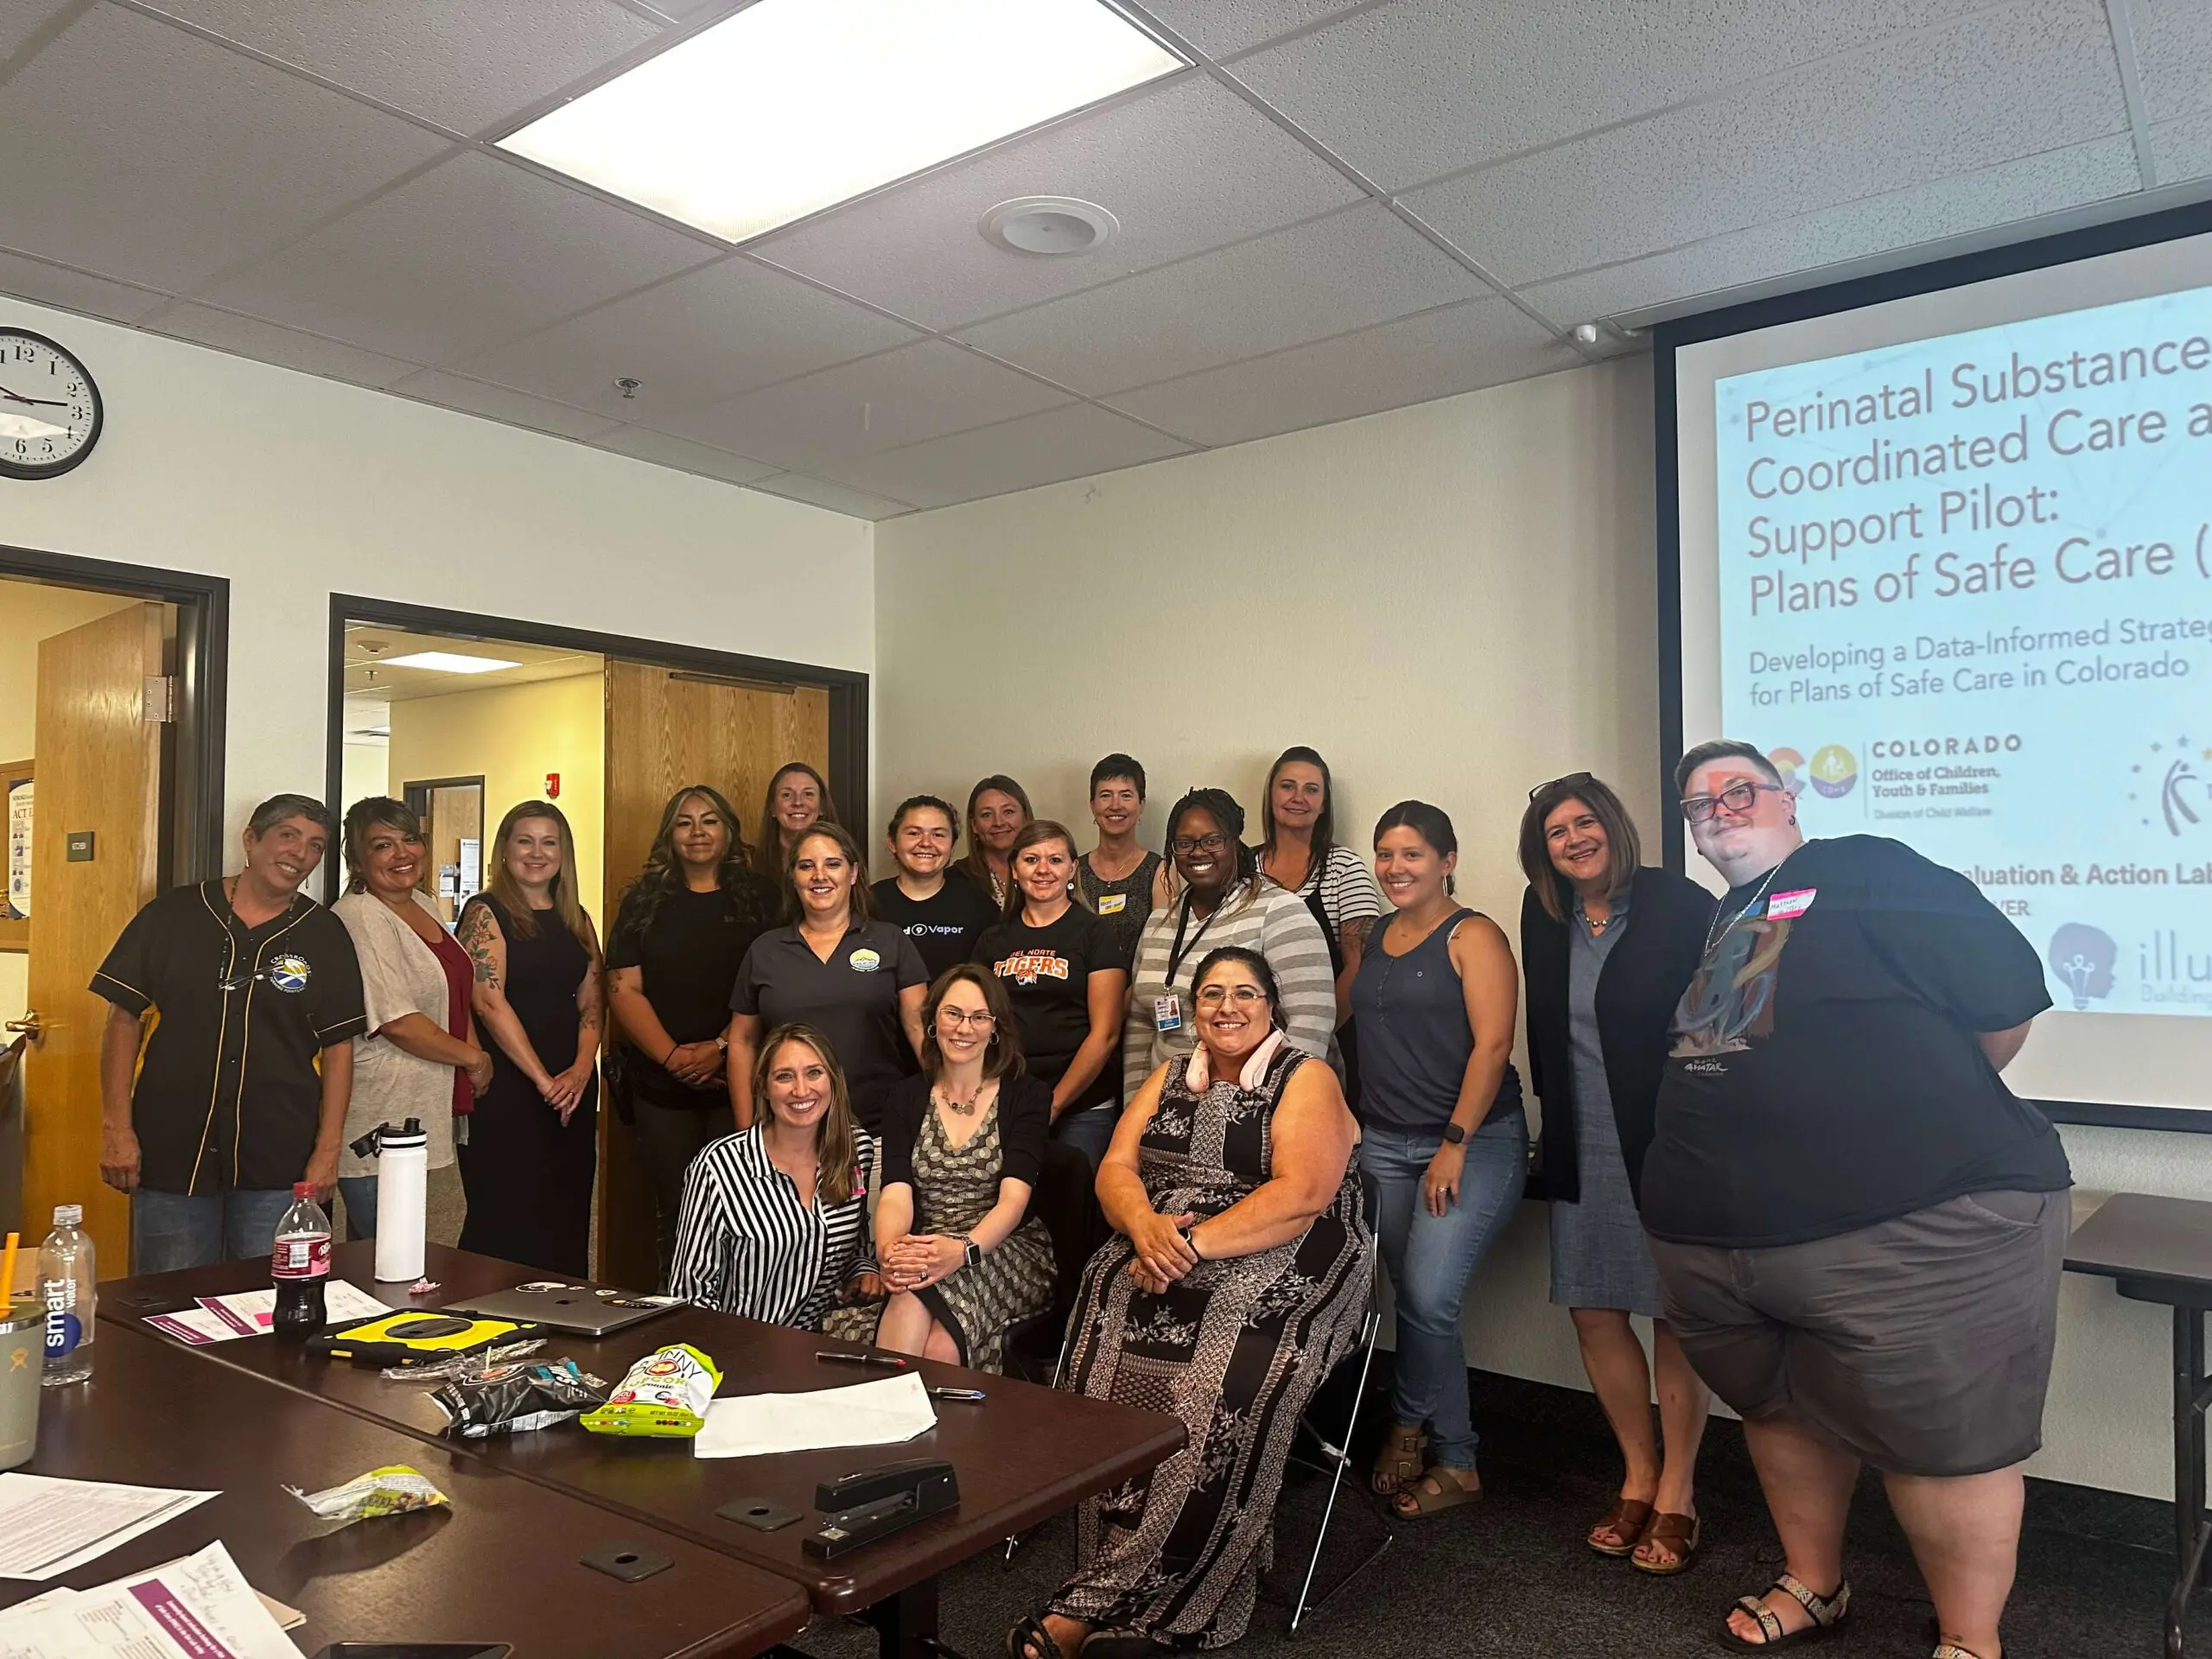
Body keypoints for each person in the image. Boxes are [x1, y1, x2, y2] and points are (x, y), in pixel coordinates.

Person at [1644, 740, 2069, 1659]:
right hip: (1723, 1241)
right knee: (1780, 1409)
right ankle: (1814, 1583)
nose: (1716, 809)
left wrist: (1911, 1109)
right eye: (1696, 803)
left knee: (1941, 1444)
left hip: (1909, 1224)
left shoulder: (1864, 868)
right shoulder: (1729, 917)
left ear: (1787, 799)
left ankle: (1968, 1639)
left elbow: (2002, 1005)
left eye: (1737, 790)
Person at [1013, 946, 1370, 1659]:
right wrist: (1144, 1228)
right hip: (1162, 1248)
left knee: (1215, 1376)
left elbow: (1301, 1196)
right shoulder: (1171, 1074)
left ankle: (1129, 1601)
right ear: (1194, 1007)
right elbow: (1115, 1166)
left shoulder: (1307, 1076)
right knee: (1103, 1323)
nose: (1227, 1008)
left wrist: (1187, 1249)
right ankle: (1116, 1579)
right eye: (1212, 994)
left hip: (1286, 1256)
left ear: (1273, 1005)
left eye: (1245, 993)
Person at [1517, 774, 1714, 1572]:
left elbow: (1720, 1027)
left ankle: (1678, 1490)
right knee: (1596, 1308)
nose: (1573, 840)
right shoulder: (1544, 911)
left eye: (1584, 823)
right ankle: (1635, 1472)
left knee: (1672, 1311)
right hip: (1579, 1127)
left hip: (1666, 1137)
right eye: (1556, 832)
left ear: (1614, 826)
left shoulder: (1679, 904)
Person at [93, 794, 366, 1273]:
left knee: (267, 1301)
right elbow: (123, 1020)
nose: (300, 854)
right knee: (170, 1306)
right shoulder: (173, 915)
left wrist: (328, 1153)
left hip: (278, 1156)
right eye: (288, 835)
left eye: (316, 846)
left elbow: (338, 1048)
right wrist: (117, 1128)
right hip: (173, 1150)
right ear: (250, 840)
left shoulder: (324, 935)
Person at [1351, 801, 1527, 1518]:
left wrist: (1452, 1145)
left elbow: (1493, 1047)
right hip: (1385, 1144)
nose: (1396, 867)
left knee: (1427, 1297)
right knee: (1421, 1302)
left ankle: (1420, 1430)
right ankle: (1452, 1453)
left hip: (1470, 1142)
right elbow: (1335, 1019)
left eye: (1413, 854)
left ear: (1448, 859)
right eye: (1385, 854)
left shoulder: (1474, 935)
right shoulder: (1372, 935)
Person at [828, 965, 1053, 1370]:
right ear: (933, 1021)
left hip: (1001, 1248)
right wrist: (890, 1254)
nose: (964, 1028)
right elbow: (897, 1190)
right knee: (924, 1317)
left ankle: (884, 1415)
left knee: (938, 1344)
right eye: (953, 1014)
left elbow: (1014, 1201)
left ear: (995, 1027)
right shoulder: (905, 1095)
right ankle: (897, 1420)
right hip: (925, 1242)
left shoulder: (1028, 1095)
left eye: (979, 1017)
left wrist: (963, 1251)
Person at [607, 785, 772, 1285]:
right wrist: (675, 1057)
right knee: (676, 1211)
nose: (697, 832)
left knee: (745, 1211)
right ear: (669, 835)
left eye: (710, 821)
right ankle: (674, 1316)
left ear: (729, 832)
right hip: (661, 1085)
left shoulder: (762, 898)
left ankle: (738, 1318)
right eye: (684, 822)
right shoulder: (643, 901)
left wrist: (721, 1048)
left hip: (738, 1079)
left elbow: (776, 980)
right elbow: (622, 986)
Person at [454, 800, 602, 1277]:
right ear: (504, 849)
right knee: (506, 1211)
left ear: (564, 853)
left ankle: (563, 1317)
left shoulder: (576, 917)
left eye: (549, 842)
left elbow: (593, 1002)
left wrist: (580, 1071)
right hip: (509, 1088)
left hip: (573, 1088)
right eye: (525, 840)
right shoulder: (486, 912)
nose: (537, 853)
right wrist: (544, 1081)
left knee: (566, 1206)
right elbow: (487, 1001)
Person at [330, 798, 487, 1242]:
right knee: (384, 1244)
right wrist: (474, 1059)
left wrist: (468, 1052)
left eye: (410, 840)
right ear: (358, 860)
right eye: (383, 845)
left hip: (422, 1093)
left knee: (404, 1237)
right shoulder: (360, 916)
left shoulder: (423, 903)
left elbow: (452, 991)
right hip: (381, 1106)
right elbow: (397, 1020)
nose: (402, 854)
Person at [1122, 787, 1332, 1105]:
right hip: (1169, 1110)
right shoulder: (1158, 923)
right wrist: (1137, 1110)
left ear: (1235, 842)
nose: (1198, 852)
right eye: (1184, 844)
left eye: (1212, 840)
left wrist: (1270, 1108)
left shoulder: (1280, 911)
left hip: (1254, 1111)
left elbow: (1311, 1024)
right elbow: (1141, 1024)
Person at [668, 1024, 878, 1326]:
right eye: (784, 1076)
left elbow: (854, 1241)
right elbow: (689, 1295)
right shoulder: (718, 1168)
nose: (801, 1090)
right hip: (738, 1350)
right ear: (764, 1088)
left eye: (814, 1073)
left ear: (833, 1081)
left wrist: (862, 1269)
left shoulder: (856, 1151)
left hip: (821, 1343)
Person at [727, 823, 927, 1134]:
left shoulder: (890, 941)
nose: (820, 875)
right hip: (789, 1133)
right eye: (807, 866)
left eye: (832, 864)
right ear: (793, 877)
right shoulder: (765, 950)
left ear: (853, 873)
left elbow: (918, 1028)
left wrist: (951, 1106)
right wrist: (745, 1129)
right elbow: (742, 1041)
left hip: (878, 1129)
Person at [973, 822, 1130, 1168]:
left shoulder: (1094, 933)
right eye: (1031, 859)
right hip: (1008, 1099)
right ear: (1015, 869)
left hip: (1083, 1106)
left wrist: (1054, 1104)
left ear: (1072, 868)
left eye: (1055, 860)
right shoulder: (992, 940)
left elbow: (1105, 1034)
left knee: (1076, 1211)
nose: (1043, 870)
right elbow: (976, 1024)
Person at [1259, 746, 1384, 1034]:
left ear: (1325, 804)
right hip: (1245, 1041)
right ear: (1271, 796)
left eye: (1311, 790)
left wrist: (1312, 1036)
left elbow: (1360, 966)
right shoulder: (1242, 869)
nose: (1298, 798)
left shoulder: (1344, 868)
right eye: (1287, 786)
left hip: (1331, 1038)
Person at [872, 795, 1000, 981]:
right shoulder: (868, 902)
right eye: (914, 833)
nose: (926, 843)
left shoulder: (979, 905)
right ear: (892, 842)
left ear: (951, 845)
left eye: (938, 834)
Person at [1077, 754, 1173, 960]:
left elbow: (1162, 950)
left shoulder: (1160, 872)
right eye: (1105, 795)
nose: (1115, 805)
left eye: (1126, 795)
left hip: (1138, 988)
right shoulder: (1072, 871)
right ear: (1092, 805)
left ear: (1141, 805)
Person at [752, 761, 837, 880]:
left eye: (808, 794)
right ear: (772, 808)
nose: (798, 802)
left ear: (822, 807)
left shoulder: (844, 861)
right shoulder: (750, 864)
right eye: (787, 795)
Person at [956, 774, 1032, 907]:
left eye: (1008, 812)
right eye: (987, 815)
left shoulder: (1047, 870)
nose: (998, 823)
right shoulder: (957, 879)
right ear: (974, 825)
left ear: (1025, 817)